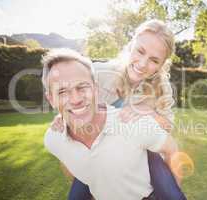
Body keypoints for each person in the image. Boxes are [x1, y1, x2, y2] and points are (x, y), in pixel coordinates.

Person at [50, 19, 187, 200]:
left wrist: (149, 112)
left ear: (162, 64)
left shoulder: (162, 88)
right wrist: (64, 117)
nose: (143, 64)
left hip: (143, 152)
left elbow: (168, 127)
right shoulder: (98, 73)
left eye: (154, 60)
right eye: (140, 51)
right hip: (97, 149)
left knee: (170, 192)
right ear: (131, 45)